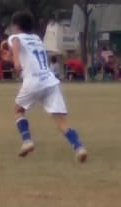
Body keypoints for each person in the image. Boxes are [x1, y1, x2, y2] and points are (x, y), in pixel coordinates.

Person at [5, 12, 87, 162]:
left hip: (33, 81)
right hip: (50, 81)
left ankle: (27, 141)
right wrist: (11, 59)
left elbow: (16, 42)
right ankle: (79, 147)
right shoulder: (37, 38)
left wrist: (15, 60)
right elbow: (28, 56)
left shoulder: (15, 37)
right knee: (61, 121)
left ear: (16, 26)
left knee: (18, 110)